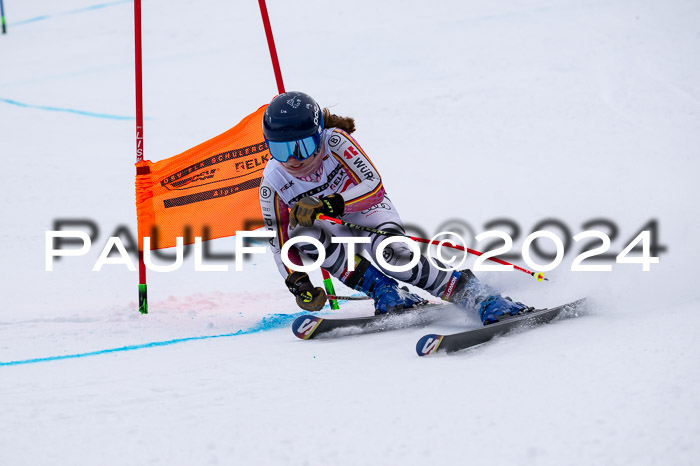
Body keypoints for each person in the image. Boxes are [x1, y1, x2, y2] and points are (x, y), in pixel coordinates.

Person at [258, 91, 530, 323]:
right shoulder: (272, 183)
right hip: (332, 230)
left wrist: (330, 203)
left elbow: (373, 186)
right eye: (280, 150)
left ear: (318, 135)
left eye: (302, 147)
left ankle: (479, 296)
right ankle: (385, 292)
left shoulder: (336, 142)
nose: (293, 160)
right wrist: (299, 283)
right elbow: (278, 243)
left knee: (393, 256)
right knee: (302, 237)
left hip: (368, 212)